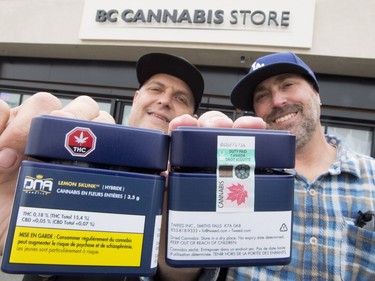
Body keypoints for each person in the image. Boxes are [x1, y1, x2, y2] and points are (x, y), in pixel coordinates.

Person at [0, 53, 265, 281]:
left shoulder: (198, 189)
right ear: (136, 97)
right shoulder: (73, 158)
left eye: (181, 98)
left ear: (191, 118)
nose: (164, 100)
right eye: (156, 89)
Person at [227, 52, 375, 280]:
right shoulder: (236, 179)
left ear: (317, 94)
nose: (277, 101)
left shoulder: (371, 177)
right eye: (262, 96)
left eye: (287, 85)